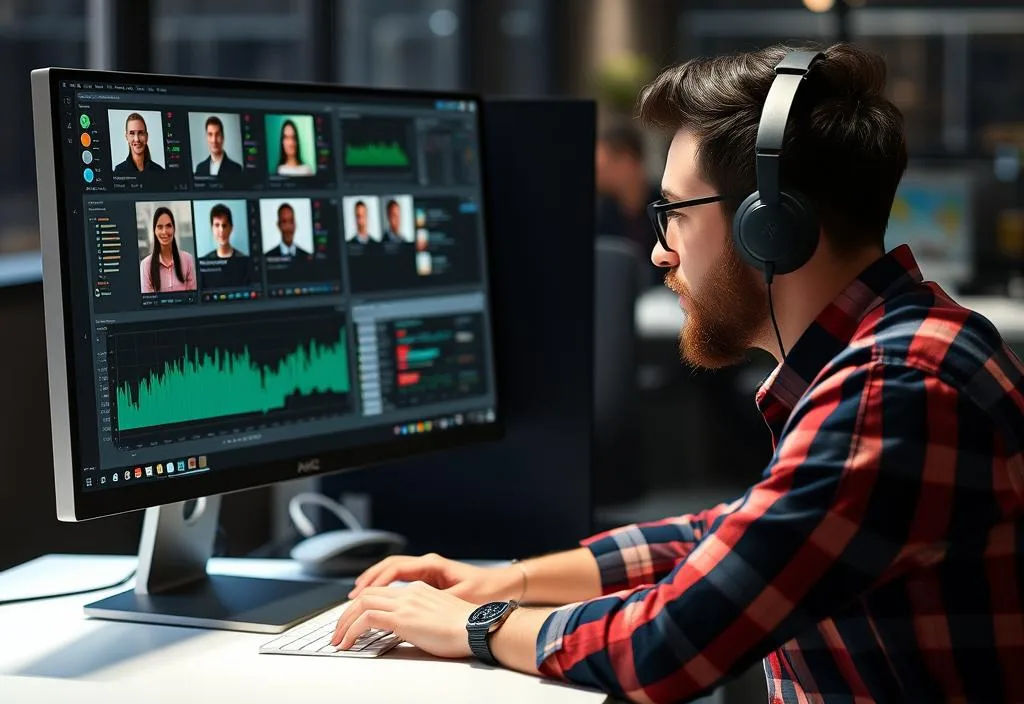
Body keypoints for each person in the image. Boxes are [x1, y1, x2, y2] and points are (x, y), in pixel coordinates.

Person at [328, 42, 1024, 702]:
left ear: (770, 227)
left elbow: (671, 643)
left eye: (675, 215)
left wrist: (473, 628)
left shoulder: (892, 389)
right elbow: (728, 538)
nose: (661, 255)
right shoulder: (909, 346)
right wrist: (499, 582)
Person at [139, 206, 195, 293]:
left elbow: (193, 297)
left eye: (168, 226)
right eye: (160, 227)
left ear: (174, 229)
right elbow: (147, 303)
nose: (164, 231)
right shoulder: (145, 265)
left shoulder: (188, 259)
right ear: (154, 231)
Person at [198, 204, 251, 288]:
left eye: (224, 225)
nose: (221, 230)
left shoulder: (245, 262)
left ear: (231, 228)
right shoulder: (203, 263)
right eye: (217, 225)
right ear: (212, 228)